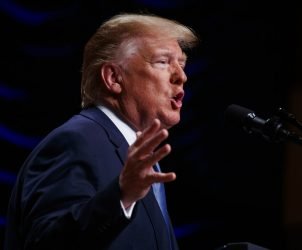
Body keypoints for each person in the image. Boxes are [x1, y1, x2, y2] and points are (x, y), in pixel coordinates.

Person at [4, 12, 198, 250]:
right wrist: (121, 195)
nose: (182, 76)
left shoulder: (140, 159)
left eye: (182, 63)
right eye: (163, 62)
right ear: (114, 78)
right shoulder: (76, 141)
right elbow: (44, 243)